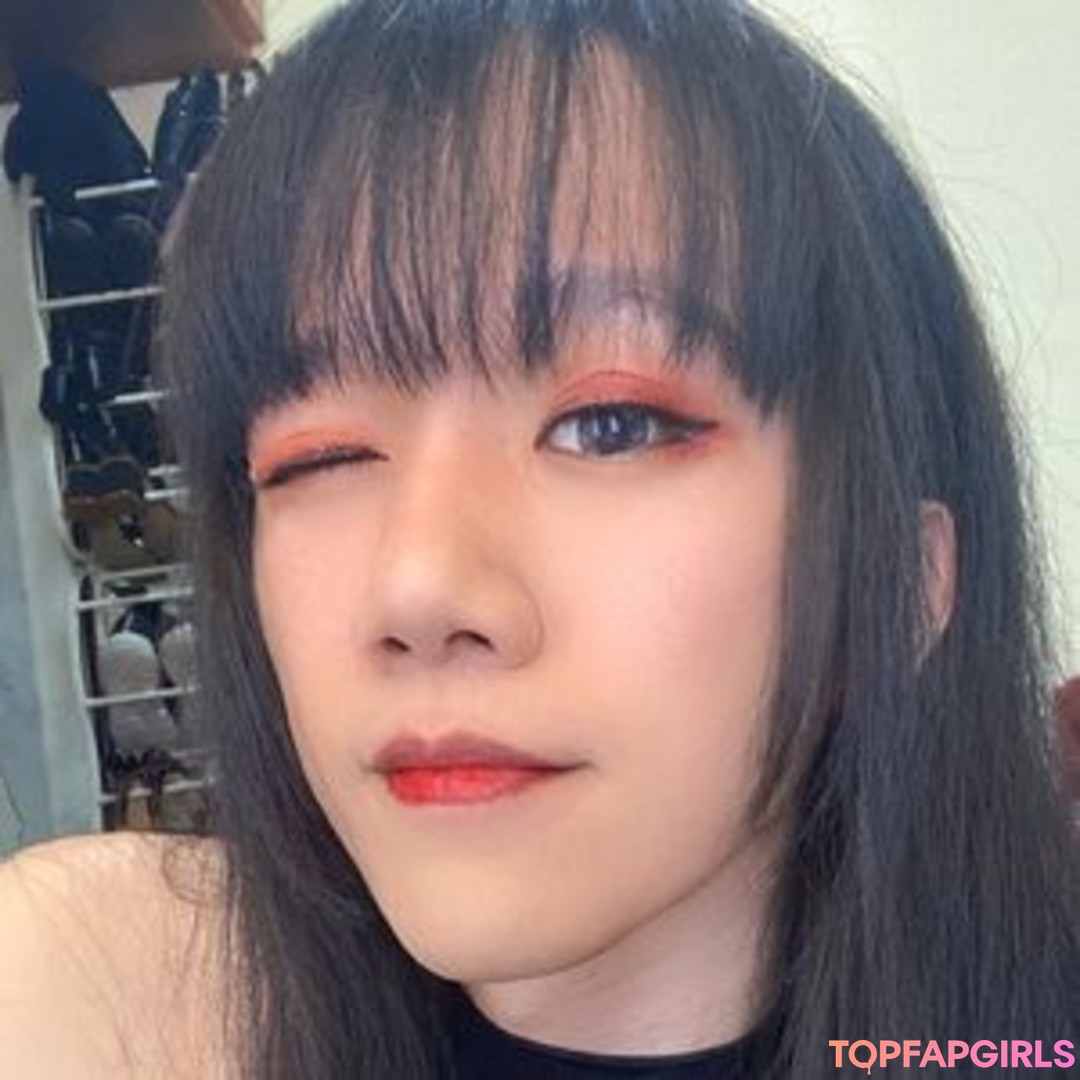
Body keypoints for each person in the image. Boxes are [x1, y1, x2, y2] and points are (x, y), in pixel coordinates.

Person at [2, 2, 1078, 1077]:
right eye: (319, 457)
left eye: (610, 426)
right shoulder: (97, 999)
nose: (416, 587)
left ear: (897, 585)